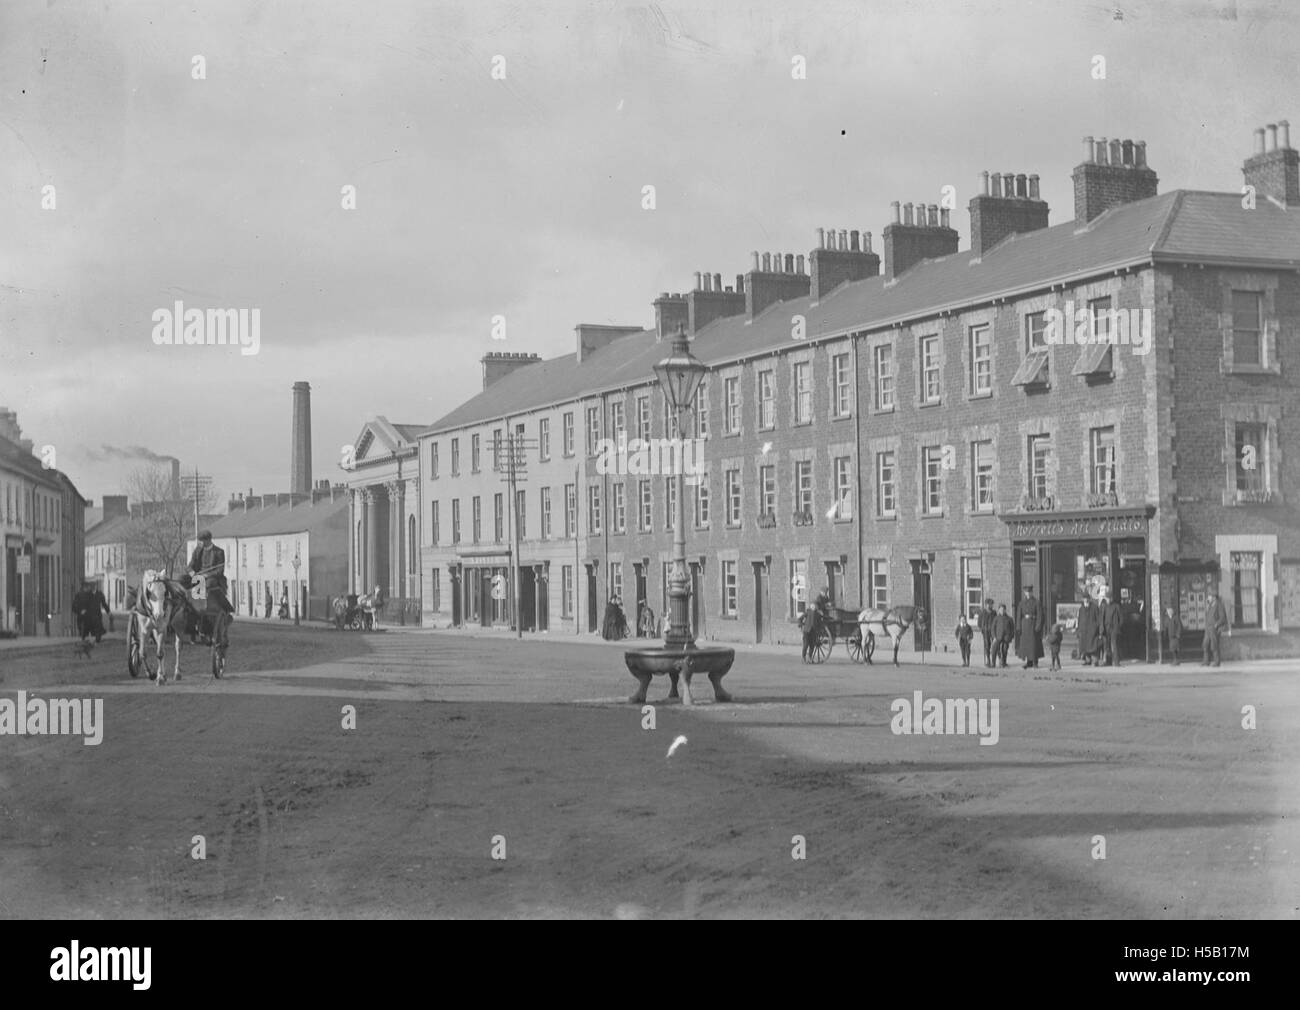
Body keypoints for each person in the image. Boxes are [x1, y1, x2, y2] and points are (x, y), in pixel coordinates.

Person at [188, 530, 234, 617]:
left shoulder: (219, 552)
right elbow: (190, 566)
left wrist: (206, 575)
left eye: (201, 541)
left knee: (208, 583)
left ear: (208, 540)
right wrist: (192, 573)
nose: (200, 543)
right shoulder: (197, 551)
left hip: (212, 577)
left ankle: (202, 605)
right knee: (181, 579)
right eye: (199, 541)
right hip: (197, 576)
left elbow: (220, 570)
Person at [1015, 585, 1044, 669]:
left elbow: (1040, 615)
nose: (1028, 593)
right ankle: (1029, 662)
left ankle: (1035, 662)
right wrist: (1018, 627)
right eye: (1027, 592)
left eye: (1030, 592)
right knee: (1026, 644)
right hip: (1024, 625)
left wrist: (1038, 626)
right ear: (1025, 593)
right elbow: (1019, 616)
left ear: (1032, 592)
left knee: (1034, 644)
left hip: (1033, 624)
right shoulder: (1021, 603)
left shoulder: (1036, 602)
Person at [1203, 588, 1229, 667]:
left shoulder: (1219, 605)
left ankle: (1217, 662)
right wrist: (1207, 606)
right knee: (1205, 644)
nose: (1208, 598)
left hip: (1214, 629)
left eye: (1209, 596)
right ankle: (1206, 661)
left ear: (1214, 597)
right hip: (1208, 628)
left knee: (1214, 645)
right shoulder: (1210, 605)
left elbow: (1223, 618)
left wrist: (1216, 625)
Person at [1100, 591, 1123, 666]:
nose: (1108, 600)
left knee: (1114, 645)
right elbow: (1102, 618)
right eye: (1107, 598)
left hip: (1114, 628)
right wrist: (1102, 628)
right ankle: (1108, 661)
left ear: (1112, 598)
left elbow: (1121, 618)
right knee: (1106, 646)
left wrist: (1118, 627)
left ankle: (1116, 662)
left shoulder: (1116, 606)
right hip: (1106, 628)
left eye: (1110, 598)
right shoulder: (1104, 606)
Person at [1077, 594, 1099, 665]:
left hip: (1092, 629)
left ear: (1089, 599)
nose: (1086, 600)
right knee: (1085, 646)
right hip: (1083, 630)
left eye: (1087, 598)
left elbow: (1098, 618)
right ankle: (1087, 660)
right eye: (1084, 598)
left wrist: (1096, 627)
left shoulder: (1094, 607)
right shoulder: (1081, 608)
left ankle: (1095, 661)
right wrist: (1079, 629)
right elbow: (1079, 619)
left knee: (1093, 646)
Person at [977, 598, 997, 667]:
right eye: (988, 604)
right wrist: (982, 628)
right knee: (987, 646)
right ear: (985, 605)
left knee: (994, 646)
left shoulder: (994, 613)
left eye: (991, 604)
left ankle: (994, 660)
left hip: (993, 631)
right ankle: (988, 659)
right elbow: (979, 623)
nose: (989, 606)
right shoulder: (982, 613)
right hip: (985, 631)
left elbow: (996, 621)